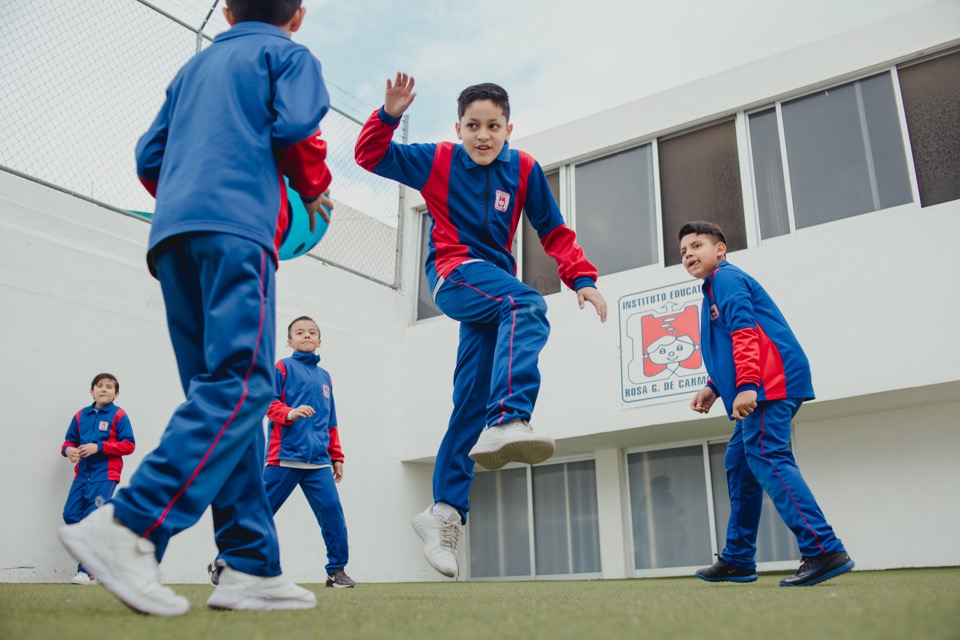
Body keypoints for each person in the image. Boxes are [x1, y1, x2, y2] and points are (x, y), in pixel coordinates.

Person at [58, 0, 333, 616]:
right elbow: (295, 127)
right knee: (244, 386)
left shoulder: (194, 68)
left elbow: (148, 158)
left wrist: (194, 187)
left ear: (228, 12)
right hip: (237, 232)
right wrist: (312, 190)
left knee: (222, 398)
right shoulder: (289, 55)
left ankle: (250, 567)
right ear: (300, 15)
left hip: (173, 235)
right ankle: (128, 526)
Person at [355, 73, 608, 579]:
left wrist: (581, 277)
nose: (483, 136)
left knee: (470, 399)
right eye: (473, 126)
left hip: (491, 289)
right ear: (459, 127)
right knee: (528, 307)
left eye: (493, 126)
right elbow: (370, 158)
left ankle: (443, 512)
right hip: (454, 275)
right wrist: (388, 115)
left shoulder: (525, 169)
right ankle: (511, 417)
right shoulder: (438, 159)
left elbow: (553, 229)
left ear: (509, 129)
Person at [679, 221, 854, 587]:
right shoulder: (712, 290)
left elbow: (745, 331)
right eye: (683, 251)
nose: (689, 254)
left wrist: (746, 385)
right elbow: (732, 343)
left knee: (767, 455)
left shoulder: (725, 279)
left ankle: (823, 548)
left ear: (720, 249)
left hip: (770, 381)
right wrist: (713, 387)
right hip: (765, 380)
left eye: (697, 245)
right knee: (740, 464)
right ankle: (739, 559)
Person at [208, 316, 356, 589]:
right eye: (300, 332)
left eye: (312, 332)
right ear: (290, 341)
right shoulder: (282, 367)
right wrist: (289, 413)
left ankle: (337, 571)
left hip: (318, 463)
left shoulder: (325, 377)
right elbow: (267, 401)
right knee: (257, 513)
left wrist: (337, 456)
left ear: (320, 341)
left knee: (333, 514)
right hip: (283, 458)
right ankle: (223, 561)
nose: (307, 336)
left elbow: (330, 419)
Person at [60, 373, 136, 586]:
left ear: (116, 393)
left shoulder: (119, 415)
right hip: (82, 474)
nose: (104, 389)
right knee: (70, 515)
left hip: (106, 475)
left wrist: (99, 447)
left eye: (109, 387)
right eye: (100, 386)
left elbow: (129, 445)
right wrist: (69, 452)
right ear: (92, 390)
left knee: (90, 523)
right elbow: (68, 442)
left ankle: (88, 572)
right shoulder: (80, 415)